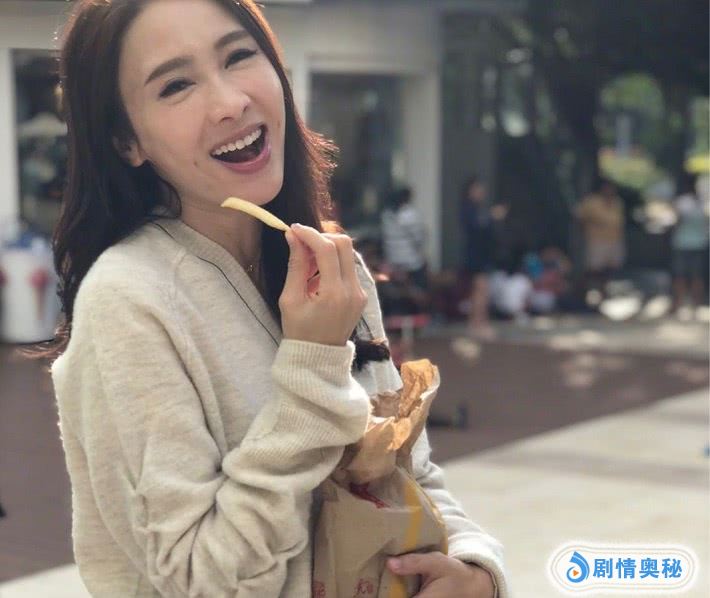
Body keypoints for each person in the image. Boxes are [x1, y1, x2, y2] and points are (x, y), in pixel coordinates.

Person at [46, 1, 507, 596]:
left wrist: (474, 569)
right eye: (176, 85)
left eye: (239, 56)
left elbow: (405, 469)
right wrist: (312, 366)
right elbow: (200, 581)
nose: (230, 102)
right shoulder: (130, 300)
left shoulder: (331, 264)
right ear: (126, 140)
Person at [460, 176, 507, 339]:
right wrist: (493, 217)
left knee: (480, 290)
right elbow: (478, 226)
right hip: (477, 255)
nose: (481, 192)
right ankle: (479, 323)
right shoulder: (469, 209)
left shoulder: (476, 209)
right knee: (481, 290)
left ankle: (476, 323)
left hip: (482, 254)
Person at [575, 178, 625, 300]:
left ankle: (602, 294)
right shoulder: (591, 202)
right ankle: (582, 293)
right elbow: (580, 218)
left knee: (608, 270)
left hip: (613, 240)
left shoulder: (617, 202)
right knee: (593, 270)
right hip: (596, 241)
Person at [671, 172, 709, 314]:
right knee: (697, 276)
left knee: (680, 275)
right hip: (699, 243)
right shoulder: (701, 202)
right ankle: (695, 305)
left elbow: (677, 222)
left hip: (682, 243)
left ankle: (679, 303)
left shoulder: (682, 202)